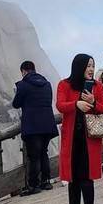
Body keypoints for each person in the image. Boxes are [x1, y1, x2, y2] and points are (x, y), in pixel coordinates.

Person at [56, 53, 103, 204]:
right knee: (73, 179)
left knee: (86, 178)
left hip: (89, 139)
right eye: (88, 66)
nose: (91, 69)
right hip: (72, 139)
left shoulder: (97, 86)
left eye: (93, 66)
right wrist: (76, 104)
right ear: (78, 67)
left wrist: (93, 102)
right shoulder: (64, 84)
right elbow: (60, 105)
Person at [13, 61, 59, 196]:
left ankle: (34, 185)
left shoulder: (23, 85)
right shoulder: (46, 83)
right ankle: (46, 181)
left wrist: (18, 90)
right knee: (43, 152)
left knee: (34, 156)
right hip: (47, 123)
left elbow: (16, 103)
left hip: (33, 125)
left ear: (23, 71)